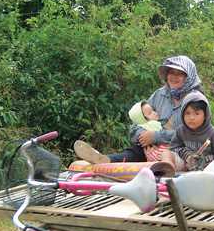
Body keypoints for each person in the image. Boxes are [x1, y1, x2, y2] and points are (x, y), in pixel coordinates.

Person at [74, 56, 202, 163]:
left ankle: (162, 169)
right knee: (135, 150)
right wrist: (146, 141)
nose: (174, 77)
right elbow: (137, 123)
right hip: (153, 147)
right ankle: (105, 159)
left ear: (188, 77)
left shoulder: (196, 99)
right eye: (171, 73)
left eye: (179, 74)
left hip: (183, 149)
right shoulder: (160, 94)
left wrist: (156, 137)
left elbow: (194, 133)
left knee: (171, 155)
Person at [167, 92, 214, 171]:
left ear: (205, 115)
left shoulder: (213, 133)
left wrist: (205, 160)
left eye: (197, 113)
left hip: (207, 168)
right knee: (167, 153)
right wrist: (187, 155)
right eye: (187, 113)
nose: (191, 117)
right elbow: (173, 148)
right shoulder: (180, 131)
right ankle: (166, 171)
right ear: (182, 114)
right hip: (186, 164)